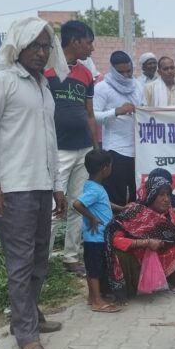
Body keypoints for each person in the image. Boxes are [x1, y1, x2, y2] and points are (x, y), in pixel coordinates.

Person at [0, 17, 69, 349]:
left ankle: (30, 316)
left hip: (41, 186)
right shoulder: (1, 82)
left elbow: (50, 143)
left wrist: (57, 185)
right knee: (21, 264)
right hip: (12, 190)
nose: (42, 53)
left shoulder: (43, 87)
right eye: (35, 46)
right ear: (19, 46)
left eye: (46, 47)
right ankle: (26, 336)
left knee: (41, 259)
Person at [45, 20, 98, 278]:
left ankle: (70, 256)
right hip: (58, 151)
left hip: (83, 149)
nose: (91, 48)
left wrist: (95, 147)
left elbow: (89, 113)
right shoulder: (46, 71)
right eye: (89, 42)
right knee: (55, 207)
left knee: (78, 204)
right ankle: (40, 262)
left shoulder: (86, 74)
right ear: (75, 41)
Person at [73, 150, 125, 313]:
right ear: (104, 168)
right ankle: (97, 301)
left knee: (94, 268)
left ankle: (93, 297)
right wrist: (92, 218)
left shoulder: (93, 186)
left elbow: (104, 202)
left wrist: (121, 208)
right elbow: (77, 204)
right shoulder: (94, 189)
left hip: (98, 237)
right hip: (95, 238)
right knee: (95, 269)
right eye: (110, 166)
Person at [93, 51, 144, 206]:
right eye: (121, 72)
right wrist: (116, 111)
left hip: (138, 150)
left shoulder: (138, 86)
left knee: (138, 194)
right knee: (117, 196)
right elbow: (94, 116)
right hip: (116, 149)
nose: (126, 75)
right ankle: (115, 228)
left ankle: (137, 227)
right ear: (113, 70)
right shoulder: (102, 88)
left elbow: (145, 110)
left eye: (129, 71)